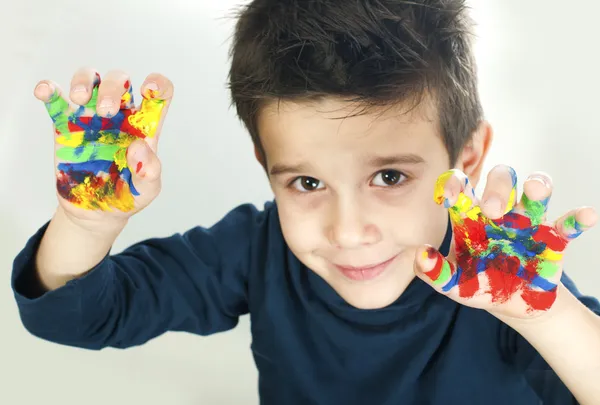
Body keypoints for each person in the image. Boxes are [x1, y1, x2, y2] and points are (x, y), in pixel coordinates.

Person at [10, 1, 600, 404]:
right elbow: (78, 316)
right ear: (266, 164)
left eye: (390, 176)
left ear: (466, 157)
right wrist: (85, 221)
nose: (348, 232)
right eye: (308, 184)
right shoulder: (253, 249)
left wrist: (545, 318)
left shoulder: (499, 281)